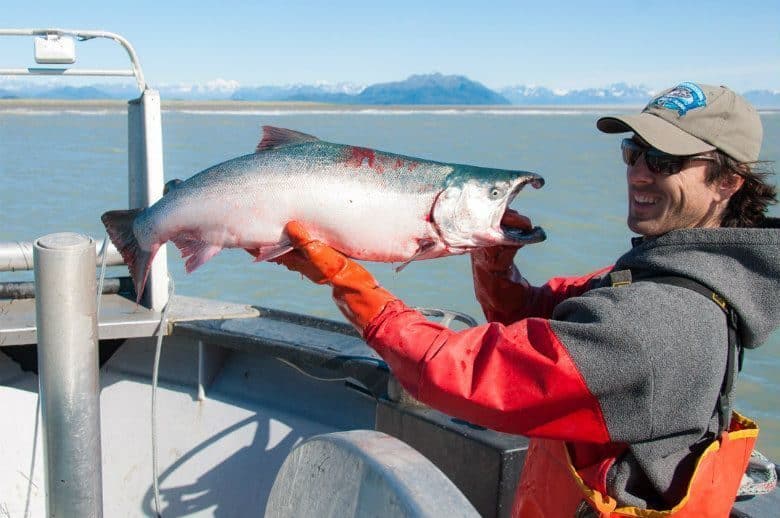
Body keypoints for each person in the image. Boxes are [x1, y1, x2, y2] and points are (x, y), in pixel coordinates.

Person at [273, 82, 780, 516]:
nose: (639, 172)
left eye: (665, 160)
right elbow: (553, 320)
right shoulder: (679, 275)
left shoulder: (663, 318)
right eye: (634, 151)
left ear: (729, 182)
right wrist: (494, 259)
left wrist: (350, 283)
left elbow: (468, 376)